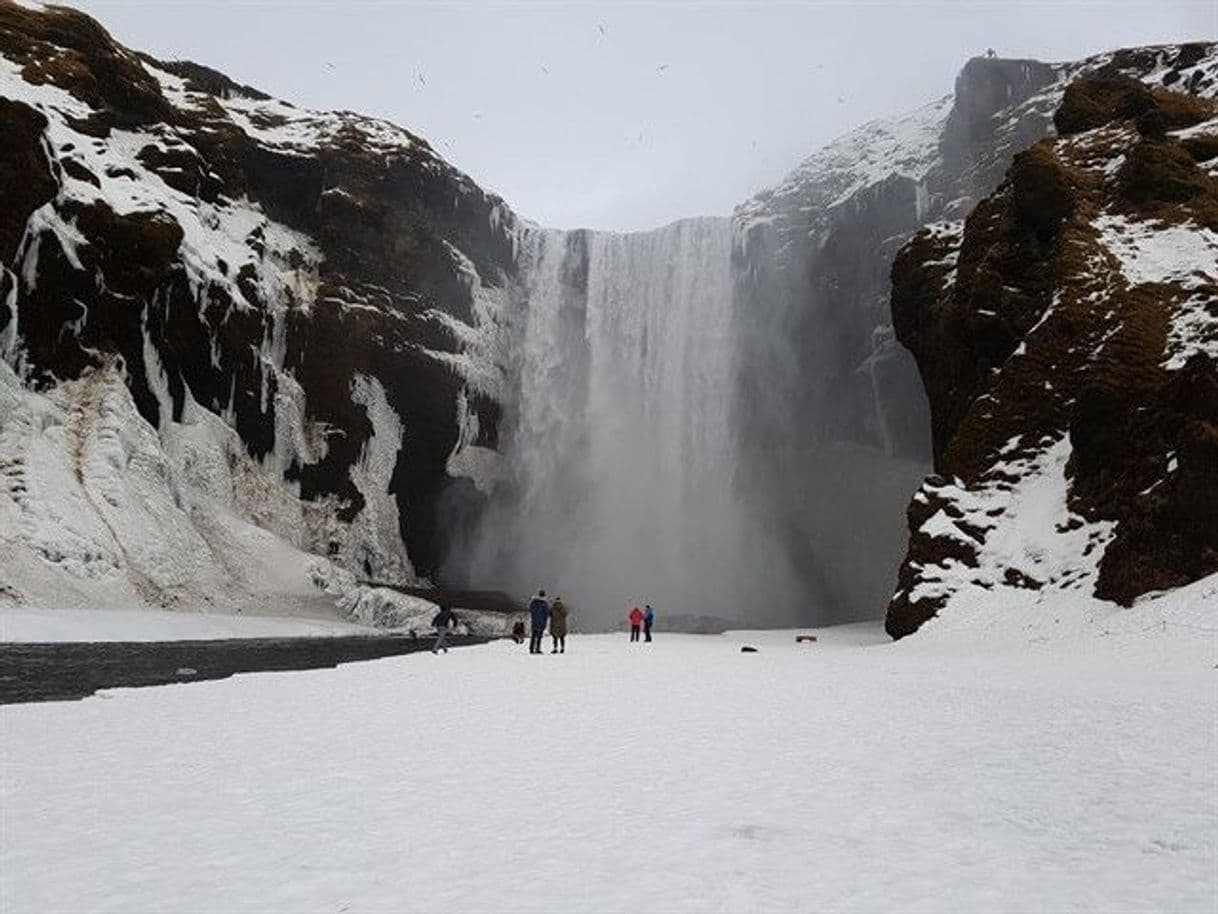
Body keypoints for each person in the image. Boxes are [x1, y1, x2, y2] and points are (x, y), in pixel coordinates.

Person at [528, 589, 550, 654]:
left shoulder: (533, 602)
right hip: (541, 622)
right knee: (539, 637)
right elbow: (546, 614)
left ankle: (531, 649)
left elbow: (530, 610)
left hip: (534, 622)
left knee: (533, 636)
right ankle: (537, 649)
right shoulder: (545, 604)